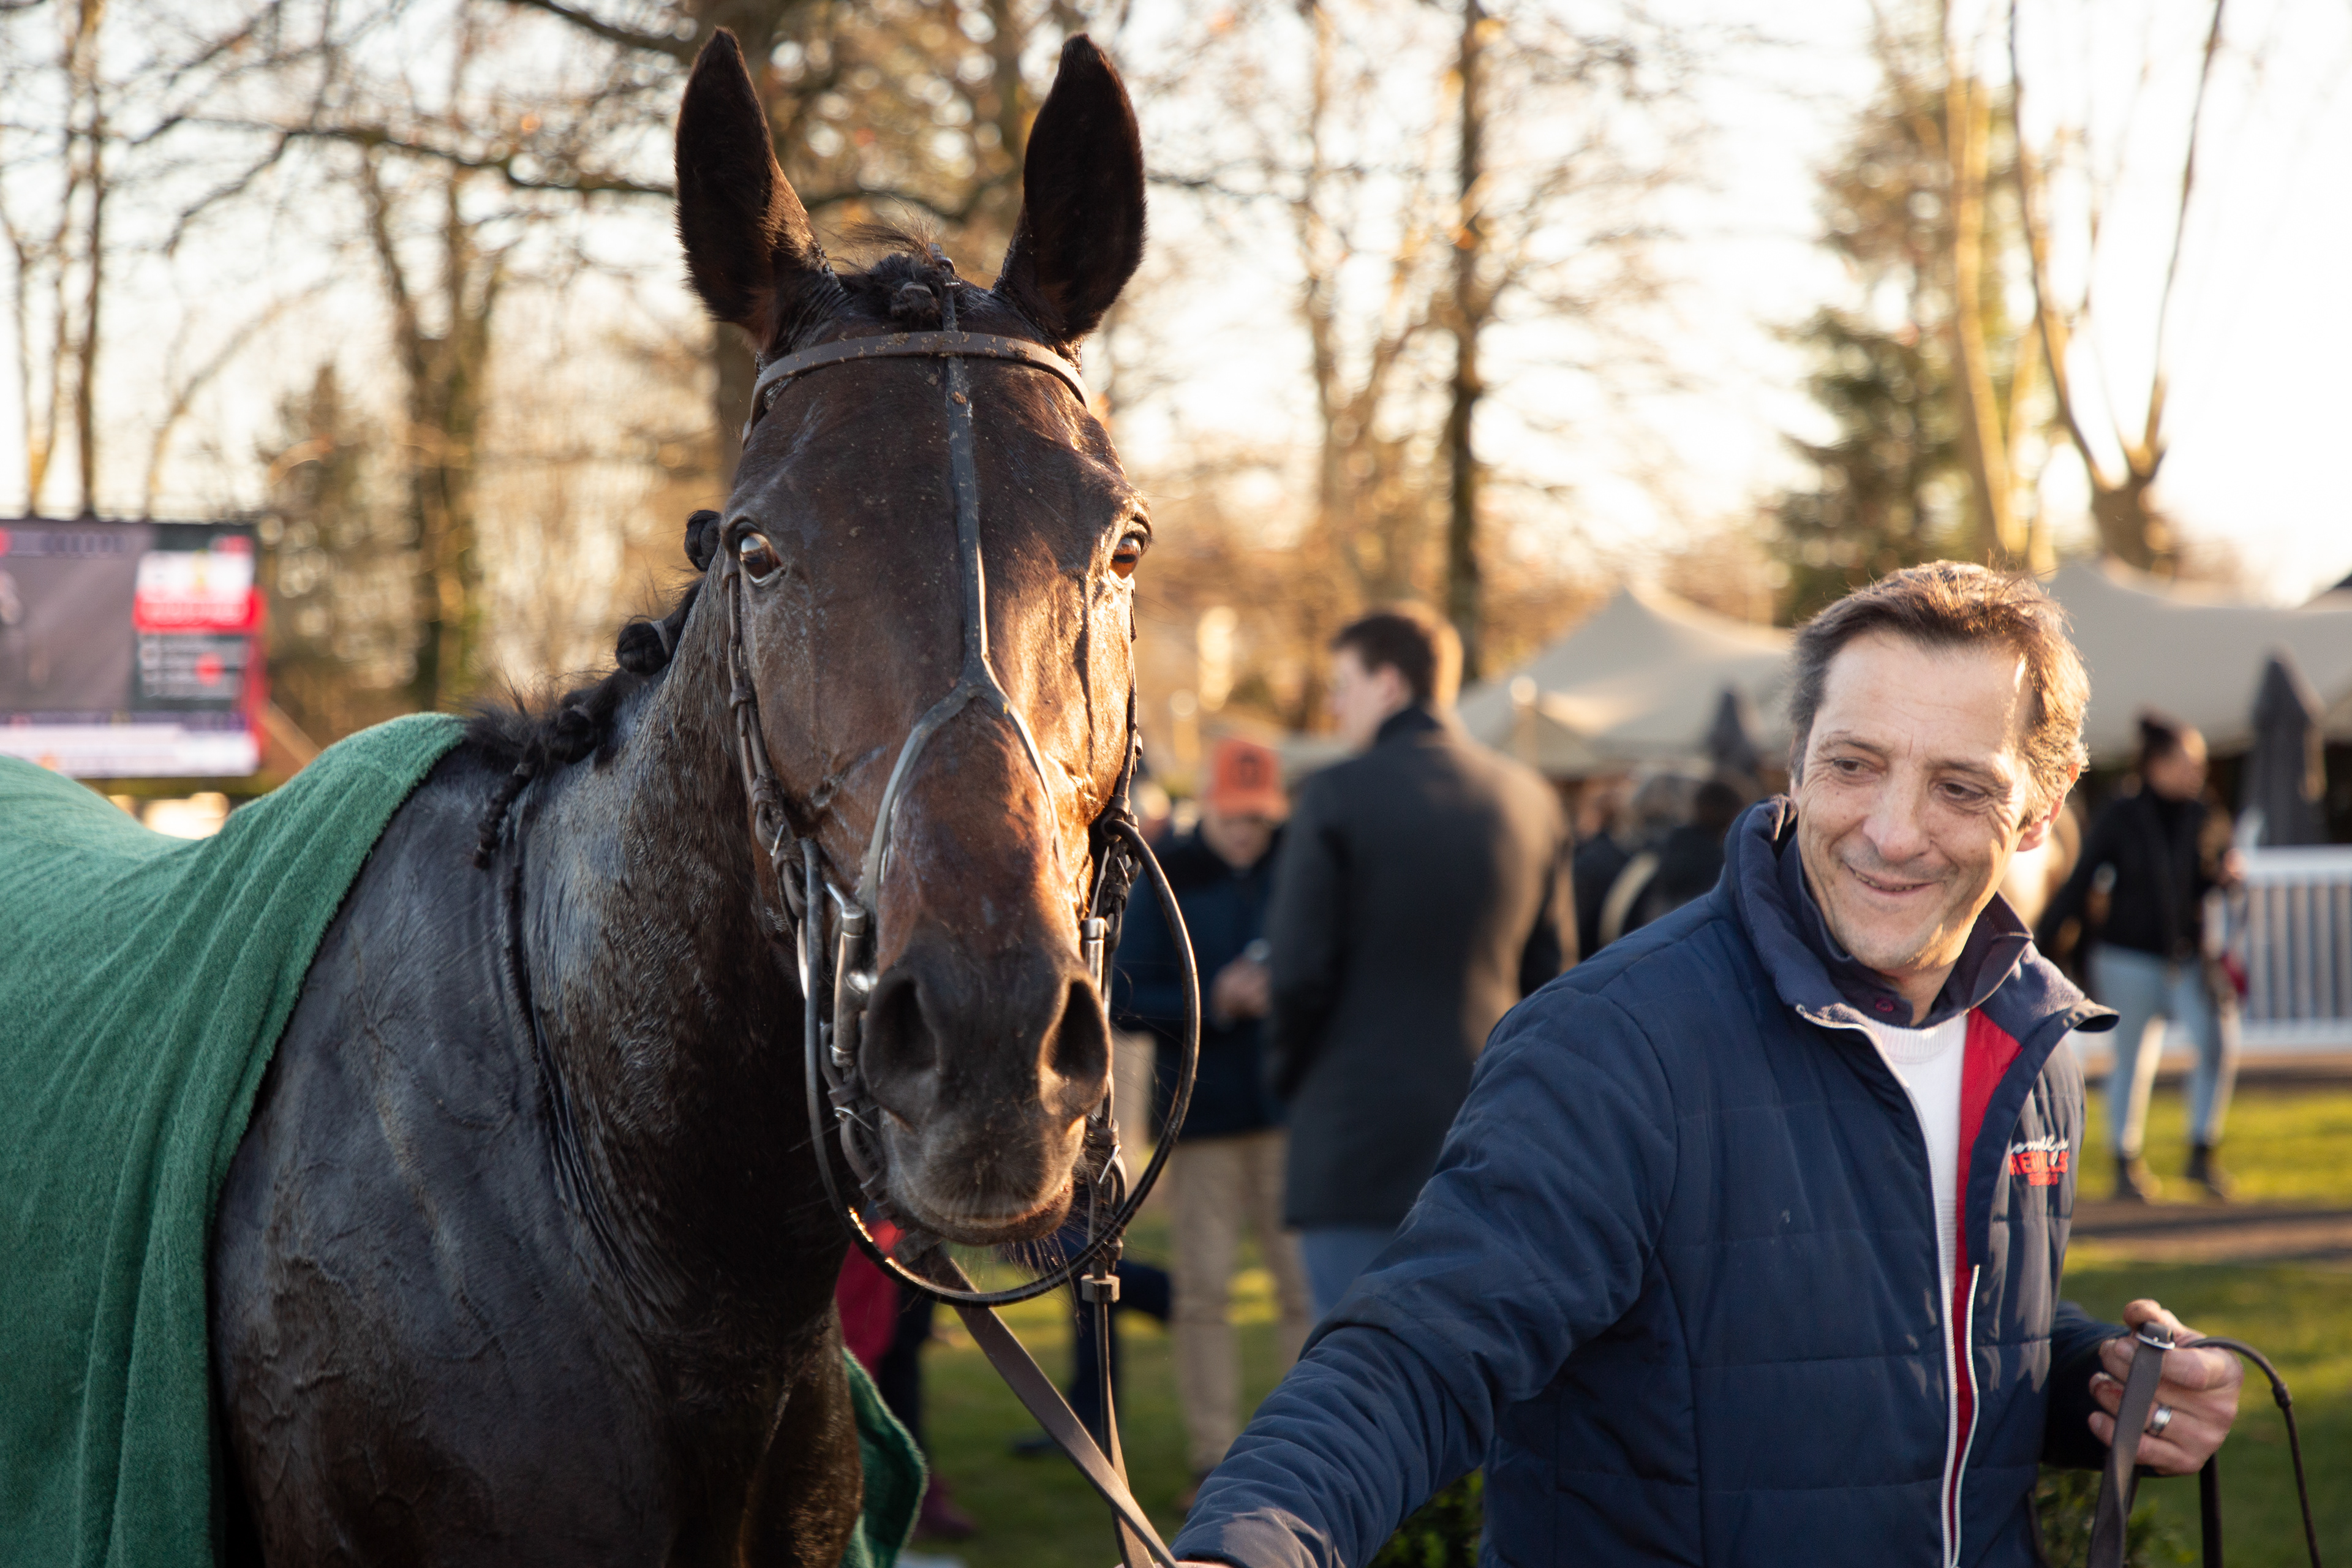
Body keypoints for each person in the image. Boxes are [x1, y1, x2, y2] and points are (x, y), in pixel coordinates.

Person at [1172, 564, 2243, 1568]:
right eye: (1854, 765)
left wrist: (2097, 1387)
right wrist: (1255, 1541)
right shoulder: (1615, 1042)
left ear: (2043, 809)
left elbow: (1918, 1327)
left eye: (1960, 787)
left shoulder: (2031, 1038)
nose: (1893, 832)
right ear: (1796, 761)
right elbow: (1421, 1353)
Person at [1263, 604, 1573, 1319]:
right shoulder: (1530, 799)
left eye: (1343, 684)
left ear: (1390, 684)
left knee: (1358, 1366)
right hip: (1493, 1136)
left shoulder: (1337, 794)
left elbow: (1299, 973)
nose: (1334, 706)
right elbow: (1552, 986)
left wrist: (1286, 1077)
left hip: (1355, 1140)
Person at [1112, 736, 1314, 1499]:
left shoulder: (1299, 867)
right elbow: (1125, 997)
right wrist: (1215, 1004)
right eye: (1235, 817)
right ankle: (1214, 1458)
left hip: (1288, 1112)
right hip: (1200, 1118)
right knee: (1203, 1295)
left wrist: (1283, 995)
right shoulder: (1167, 874)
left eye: (1259, 819)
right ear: (1210, 807)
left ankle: (1305, 1453)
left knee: (1302, 1290)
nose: (1247, 833)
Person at [2037, 714, 2242, 1201]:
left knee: (2217, 1041)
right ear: (2156, 765)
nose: (2198, 771)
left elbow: (2204, 878)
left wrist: (2223, 878)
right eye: (2188, 762)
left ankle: (2201, 1152)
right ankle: (2125, 1161)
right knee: (2133, 1058)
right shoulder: (2122, 815)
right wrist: (2041, 945)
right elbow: (2081, 881)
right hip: (2126, 957)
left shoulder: (2204, 814)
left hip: (2187, 959)